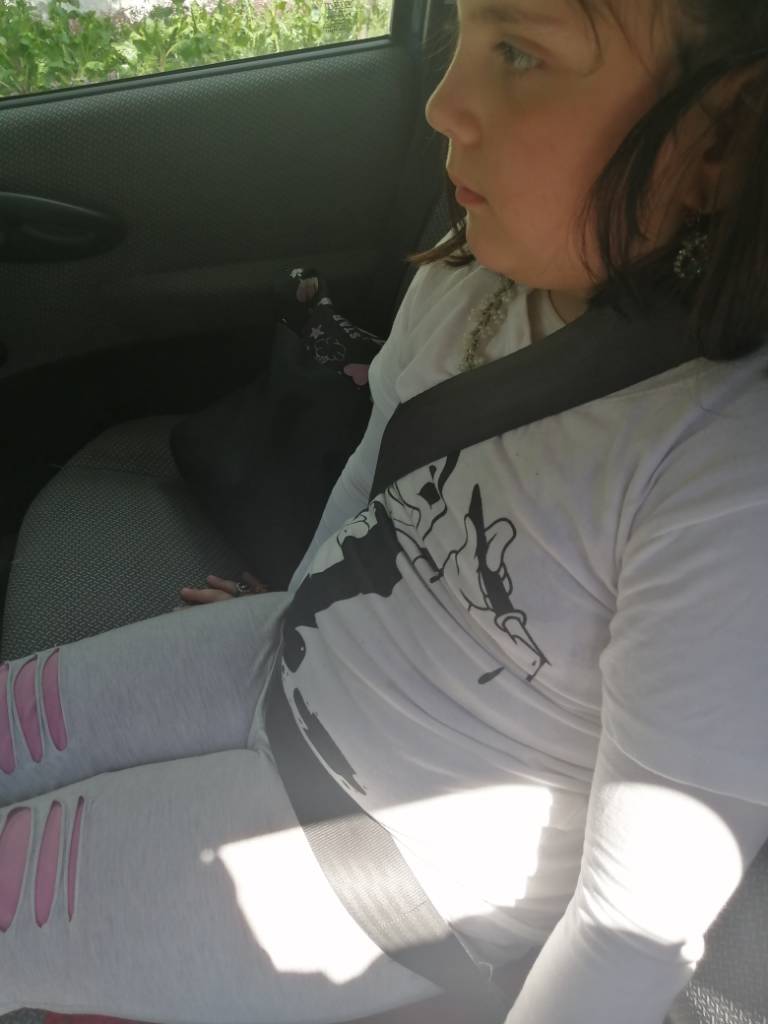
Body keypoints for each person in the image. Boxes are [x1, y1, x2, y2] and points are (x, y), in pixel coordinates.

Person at [3, 2, 768, 1023]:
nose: (443, 103)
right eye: (461, 33)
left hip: (386, 865)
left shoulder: (726, 476)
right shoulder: (473, 277)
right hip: (290, 659)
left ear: (721, 138)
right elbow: (375, 478)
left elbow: (636, 919)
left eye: (520, 54)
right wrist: (301, 597)